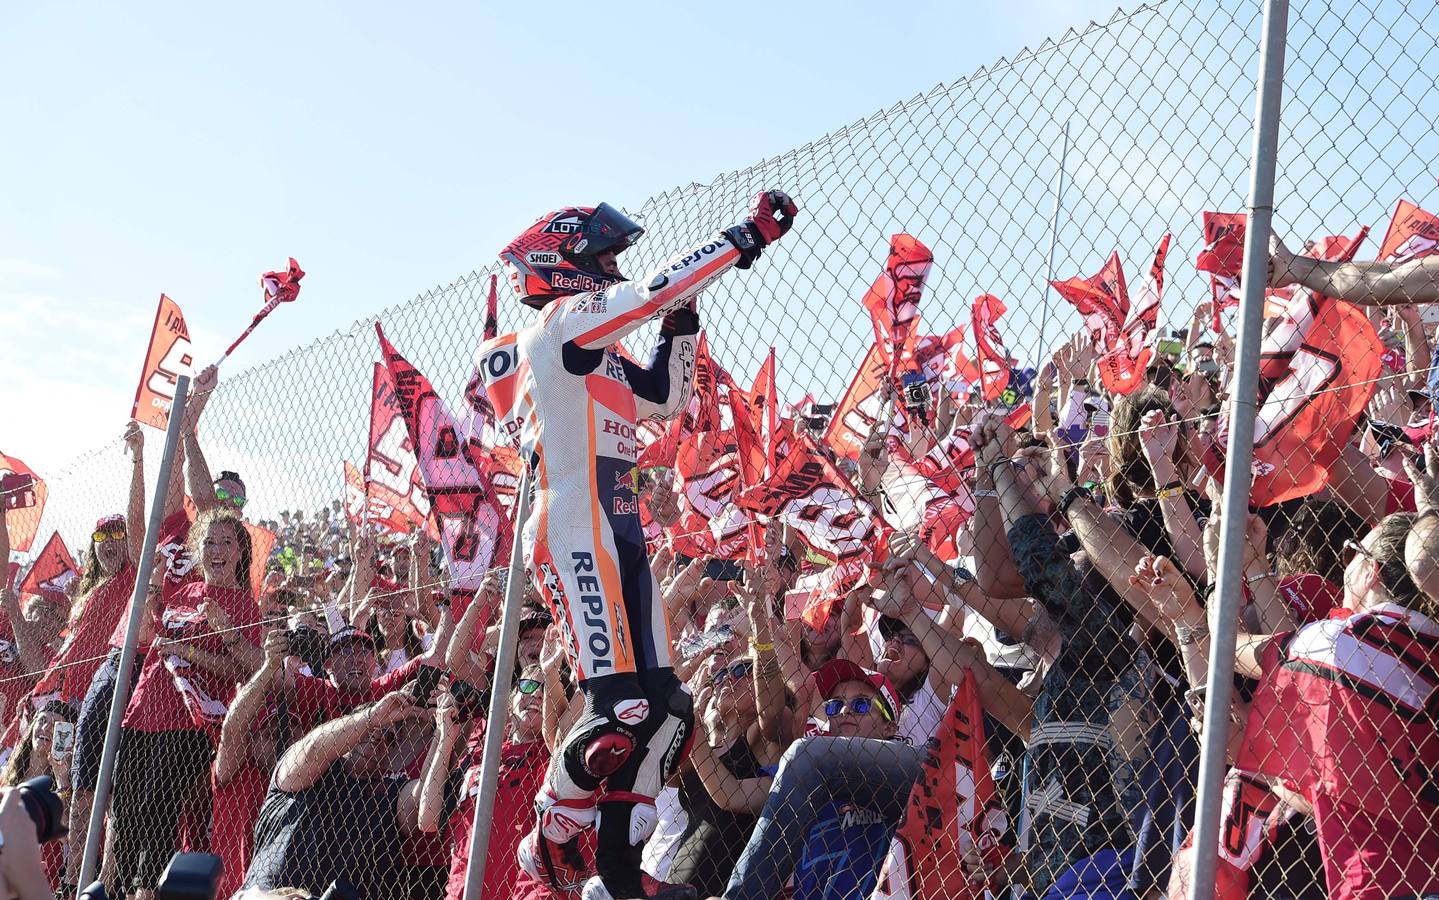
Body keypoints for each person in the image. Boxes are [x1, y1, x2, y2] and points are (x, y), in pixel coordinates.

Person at [478, 189, 799, 900]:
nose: (610, 266)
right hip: (573, 524)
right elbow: (652, 291)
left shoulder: (596, 353)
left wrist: (683, 322)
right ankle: (551, 834)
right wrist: (742, 237)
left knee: (667, 711)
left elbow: (667, 397)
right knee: (619, 708)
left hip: (619, 519)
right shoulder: (561, 326)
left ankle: (620, 878)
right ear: (559, 262)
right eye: (601, 255)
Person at [109, 511, 263, 897]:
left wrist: (191, 650)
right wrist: (154, 583)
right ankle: (126, 892)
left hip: (188, 723)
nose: (217, 550)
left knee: (157, 816)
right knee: (125, 816)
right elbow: (147, 634)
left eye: (227, 542)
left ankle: (147, 892)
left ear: (241, 553)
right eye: (209, 542)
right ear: (197, 549)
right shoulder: (183, 594)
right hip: (141, 711)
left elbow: (243, 670)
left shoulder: (244, 606)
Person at [241, 691, 432, 896]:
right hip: (267, 894)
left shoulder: (391, 792)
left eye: (389, 737)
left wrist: (445, 727)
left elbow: (426, 800)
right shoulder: (311, 769)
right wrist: (371, 717)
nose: (378, 738)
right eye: (372, 731)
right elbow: (314, 748)